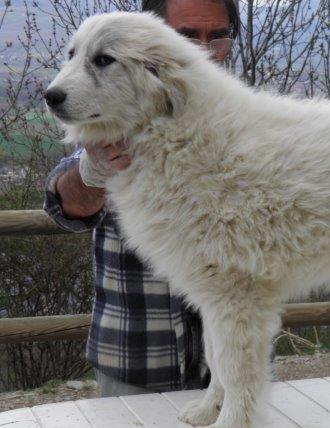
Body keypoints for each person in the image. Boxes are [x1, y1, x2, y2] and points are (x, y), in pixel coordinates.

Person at [43, 0, 240, 396]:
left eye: (217, 36)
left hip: (235, 362)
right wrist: (91, 171)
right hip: (135, 360)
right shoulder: (117, 109)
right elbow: (67, 208)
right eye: (187, 36)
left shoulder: (243, 118)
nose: (204, 51)